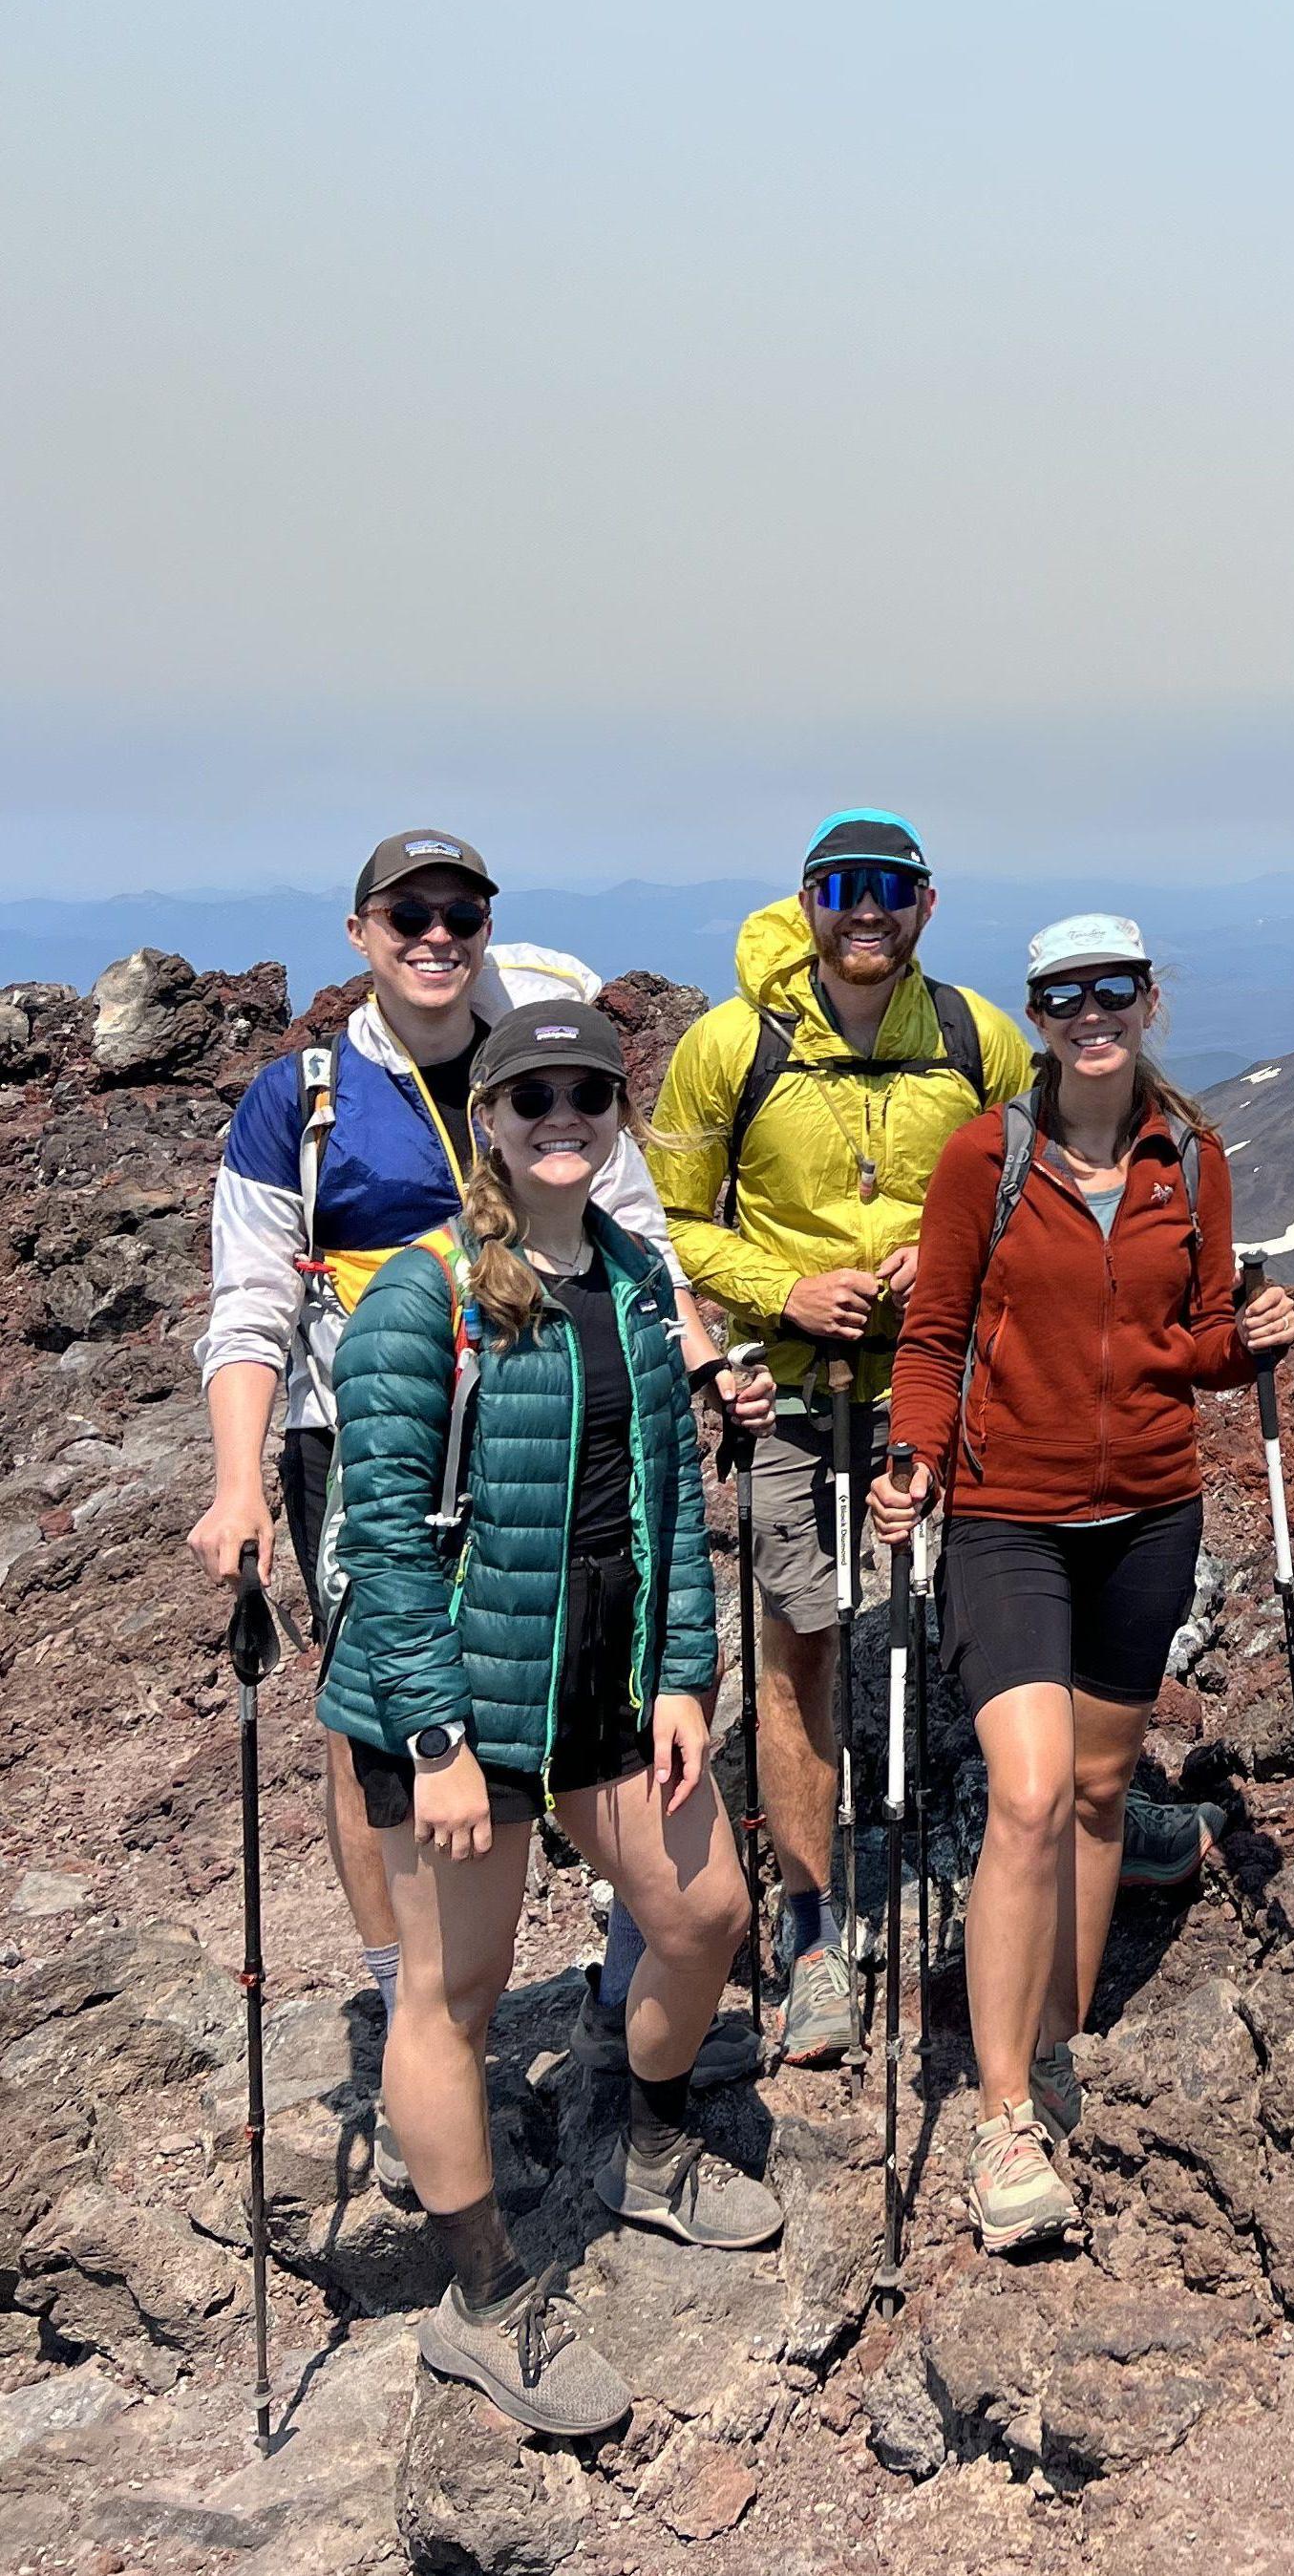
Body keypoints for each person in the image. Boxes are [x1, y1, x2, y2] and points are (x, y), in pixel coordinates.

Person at [188, 830, 770, 2185]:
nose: (437, 932)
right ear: (361, 932)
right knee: (383, 1725)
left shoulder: (529, 1054)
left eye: (461, 910)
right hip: (375, 1429)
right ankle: (419, 2008)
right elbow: (253, 1298)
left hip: (562, 1426)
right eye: (410, 911)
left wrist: (696, 1365)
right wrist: (237, 1480)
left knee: (579, 1668)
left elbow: (632, 1251)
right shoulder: (314, 1096)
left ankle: (584, 1992)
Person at [649, 816, 1225, 2068]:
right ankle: (813, 1930)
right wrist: (782, 1287)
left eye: (893, 890)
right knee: (800, 1636)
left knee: (1023, 1598)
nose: (870, 912)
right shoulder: (727, 1047)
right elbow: (666, 1221)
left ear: (926, 903)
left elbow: (1058, 1156)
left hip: (960, 1387)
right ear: (807, 901)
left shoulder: (973, 1038)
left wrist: (948, 1252)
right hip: (796, 1384)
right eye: (847, 890)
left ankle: (1094, 1821)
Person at [321, 1001, 782, 2436]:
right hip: (454, 1700)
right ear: (492, 1125)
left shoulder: (640, 1281)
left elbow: (668, 1508)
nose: (563, 1117)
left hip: (604, 1678)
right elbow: (383, 1540)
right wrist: (438, 1742)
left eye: (589, 1093)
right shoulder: (425, 1293)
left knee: (704, 1908)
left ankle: (646, 2148)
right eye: (534, 1098)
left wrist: (683, 1675)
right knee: (450, 1997)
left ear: (615, 1114)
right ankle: (485, 2301)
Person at [873, 912, 1294, 2254]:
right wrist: (913, 1458)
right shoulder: (985, 1160)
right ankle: (1002, 2118)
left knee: (1106, 1789)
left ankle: (1057, 2046)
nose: (1093, 1012)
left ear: (1149, 1000)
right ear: (1041, 1014)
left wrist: (1253, 1336)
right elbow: (935, 1333)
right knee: (1034, 1789)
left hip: (1150, 1516)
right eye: (1066, 995)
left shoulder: (1193, 1155)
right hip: (1011, 1519)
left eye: (1114, 989)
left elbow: (1199, 1336)